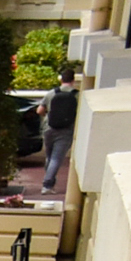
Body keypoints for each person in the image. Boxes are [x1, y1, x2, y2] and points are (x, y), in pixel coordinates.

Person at [42, 64, 80, 195]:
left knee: (49, 156)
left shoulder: (52, 93)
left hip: (49, 128)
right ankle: (47, 185)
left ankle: (49, 181)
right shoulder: (77, 95)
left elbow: (39, 110)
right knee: (56, 158)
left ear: (61, 79)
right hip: (66, 130)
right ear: (73, 80)